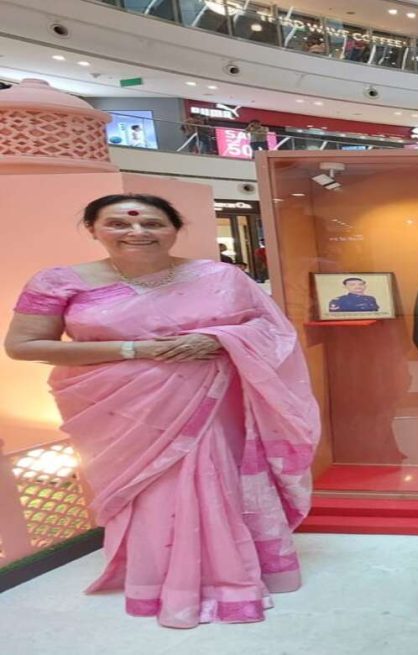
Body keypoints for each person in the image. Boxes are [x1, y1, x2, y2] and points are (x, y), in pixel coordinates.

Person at [4, 194, 320, 628]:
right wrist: (135, 350)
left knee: (216, 479)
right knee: (153, 490)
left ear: (173, 229)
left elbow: (269, 327)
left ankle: (234, 577)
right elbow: (22, 345)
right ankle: (163, 579)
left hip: (211, 398)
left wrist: (217, 340)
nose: (137, 233)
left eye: (152, 224)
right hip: (119, 405)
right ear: (93, 229)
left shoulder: (220, 276)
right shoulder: (57, 282)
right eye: (118, 224)